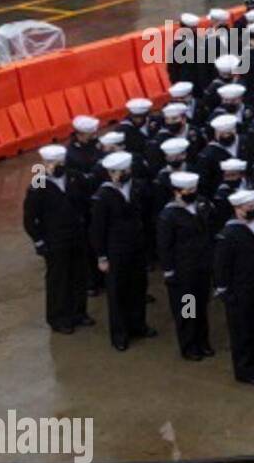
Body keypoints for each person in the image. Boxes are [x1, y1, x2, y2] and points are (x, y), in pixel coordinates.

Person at [90, 151, 157, 351]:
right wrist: (101, 255)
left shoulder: (135, 188)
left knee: (138, 286)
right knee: (118, 293)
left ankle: (138, 325)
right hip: (116, 251)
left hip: (136, 247)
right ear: (111, 173)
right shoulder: (103, 196)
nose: (125, 174)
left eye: (126, 170)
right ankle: (120, 334)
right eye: (120, 172)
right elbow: (97, 229)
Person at [24, 144, 93, 334]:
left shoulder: (74, 177)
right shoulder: (38, 184)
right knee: (58, 280)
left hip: (77, 236)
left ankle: (79, 312)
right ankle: (59, 317)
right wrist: (38, 241)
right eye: (50, 162)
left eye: (58, 162)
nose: (54, 165)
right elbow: (30, 218)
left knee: (79, 275)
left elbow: (85, 203)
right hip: (55, 240)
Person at [213, 188, 254, 385]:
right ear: (237, 209)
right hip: (240, 289)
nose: (252, 209)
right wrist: (223, 289)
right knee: (242, 331)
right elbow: (221, 264)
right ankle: (245, 369)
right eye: (247, 207)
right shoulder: (229, 233)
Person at [156, 170, 215, 361]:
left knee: (201, 306)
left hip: (202, 266)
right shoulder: (169, 215)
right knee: (187, 309)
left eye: (193, 189)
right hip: (184, 271)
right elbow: (164, 245)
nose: (192, 192)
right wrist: (169, 270)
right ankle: (189, 345)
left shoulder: (201, 205)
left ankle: (203, 341)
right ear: (176, 191)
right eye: (187, 190)